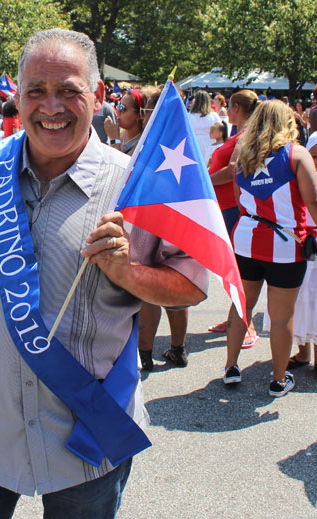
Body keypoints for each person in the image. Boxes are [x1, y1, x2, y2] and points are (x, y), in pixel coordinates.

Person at [0, 28, 207, 519]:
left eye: (69, 90)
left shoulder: (136, 185)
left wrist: (129, 272)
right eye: (36, 90)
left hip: (90, 435)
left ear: (97, 96)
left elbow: (193, 285)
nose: (51, 105)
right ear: (18, 96)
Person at [224, 100, 317, 397]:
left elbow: (239, 201)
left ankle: (230, 367)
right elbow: (314, 200)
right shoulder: (296, 154)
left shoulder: (242, 156)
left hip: (245, 240)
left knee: (243, 306)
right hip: (285, 246)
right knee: (281, 316)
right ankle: (279, 379)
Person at [136, 85, 191, 370]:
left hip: (152, 219)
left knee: (150, 289)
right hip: (180, 219)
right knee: (176, 284)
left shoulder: (149, 140)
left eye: (145, 109)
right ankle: (177, 349)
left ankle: (145, 355)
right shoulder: (187, 136)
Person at [267, 132, 317, 378]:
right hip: (303, 243)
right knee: (299, 298)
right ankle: (303, 352)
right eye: (314, 156)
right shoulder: (299, 174)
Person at [207, 90, 259, 346]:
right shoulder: (240, 134)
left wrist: (203, 181)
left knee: (237, 266)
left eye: (228, 106)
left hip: (231, 207)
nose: (226, 110)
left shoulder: (244, 135)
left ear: (236, 107)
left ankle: (245, 323)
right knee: (231, 264)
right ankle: (237, 316)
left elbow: (232, 170)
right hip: (225, 205)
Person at [104, 88, 147, 155]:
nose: (117, 111)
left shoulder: (142, 145)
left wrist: (114, 139)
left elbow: (116, 164)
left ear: (139, 115)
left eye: (122, 108)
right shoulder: (121, 133)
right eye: (118, 105)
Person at [188, 90, 221, 162]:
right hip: (209, 142)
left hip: (194, 143)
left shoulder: (189, 116)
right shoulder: (213, 116)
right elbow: (220, 129)